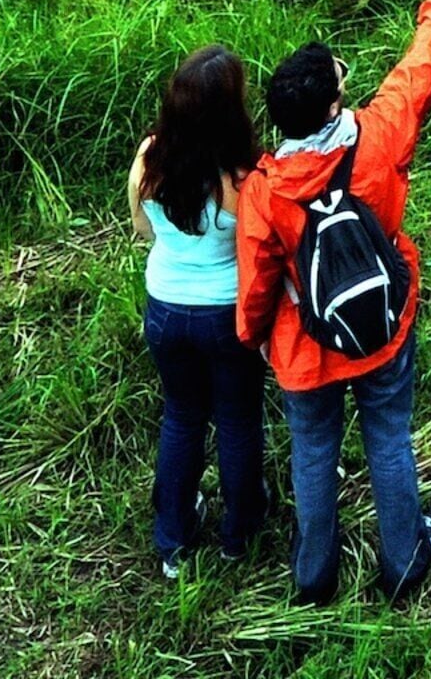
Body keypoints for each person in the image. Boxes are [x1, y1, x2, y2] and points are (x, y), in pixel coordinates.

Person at [237, 0, 431, 604]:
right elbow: (420, 68)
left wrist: (255, 336)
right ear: (335, 108)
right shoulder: (378, 137)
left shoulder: (264, 191)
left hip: (305, 351)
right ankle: (404, 562)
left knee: (312, 451)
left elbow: (255, 282)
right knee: (388, 436)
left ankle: (314, 578)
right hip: (383, 329)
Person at [128, 46, 270, 579]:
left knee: (182, 418)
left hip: (166, 307)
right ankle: (240, 534)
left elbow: (142, 228)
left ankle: (173, 540)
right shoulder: (244, 176)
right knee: (237, 420)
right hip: (227, 315)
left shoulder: (150, 156)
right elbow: (260, 250)